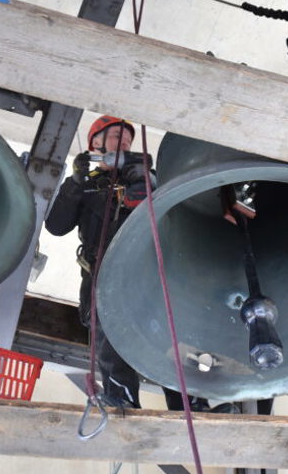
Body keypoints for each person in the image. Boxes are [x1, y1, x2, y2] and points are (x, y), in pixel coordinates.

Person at [45, 116, 234, 413]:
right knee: (110, 336)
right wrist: (75, 181)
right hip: (101, 274)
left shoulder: (148, 181)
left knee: (172, 338)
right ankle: (121, 399)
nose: (125, 141)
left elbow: (176, 219)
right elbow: (56, 226)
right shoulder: (87, 187)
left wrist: (150, 185)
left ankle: (193, 406)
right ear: (96, 142)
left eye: (128, 138)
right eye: (117, 135)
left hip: (149, 276)